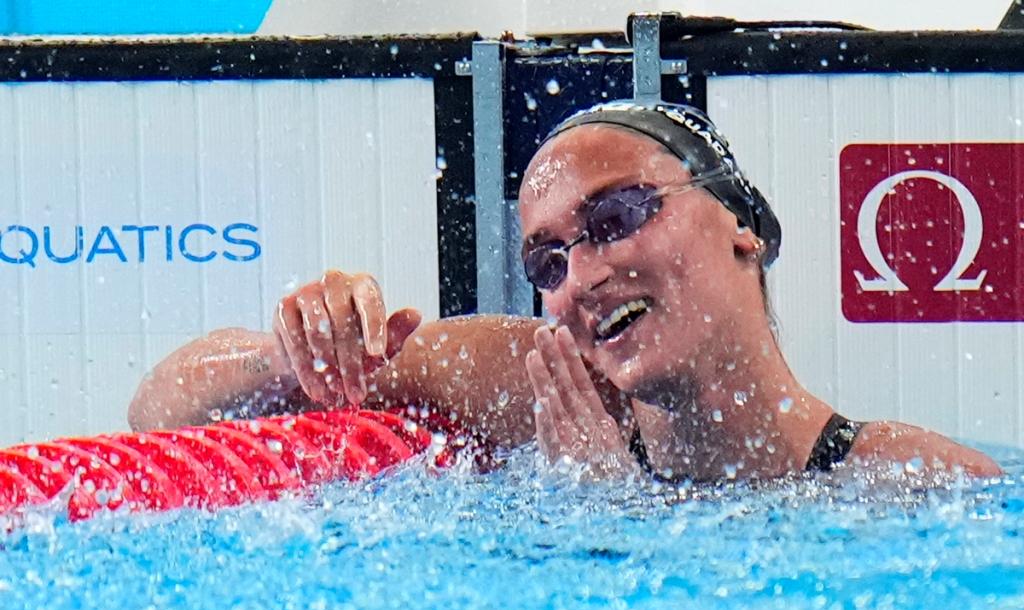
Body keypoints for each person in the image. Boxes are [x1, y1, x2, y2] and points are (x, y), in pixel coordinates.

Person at [129, 101, 1002, 481]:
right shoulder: (523, 382)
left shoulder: (908, 481)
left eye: (618, 215)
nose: (581, 276)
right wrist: (291, 356)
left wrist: (608, 514)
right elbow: (158, 414)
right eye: (547, 262)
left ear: (742, 226)